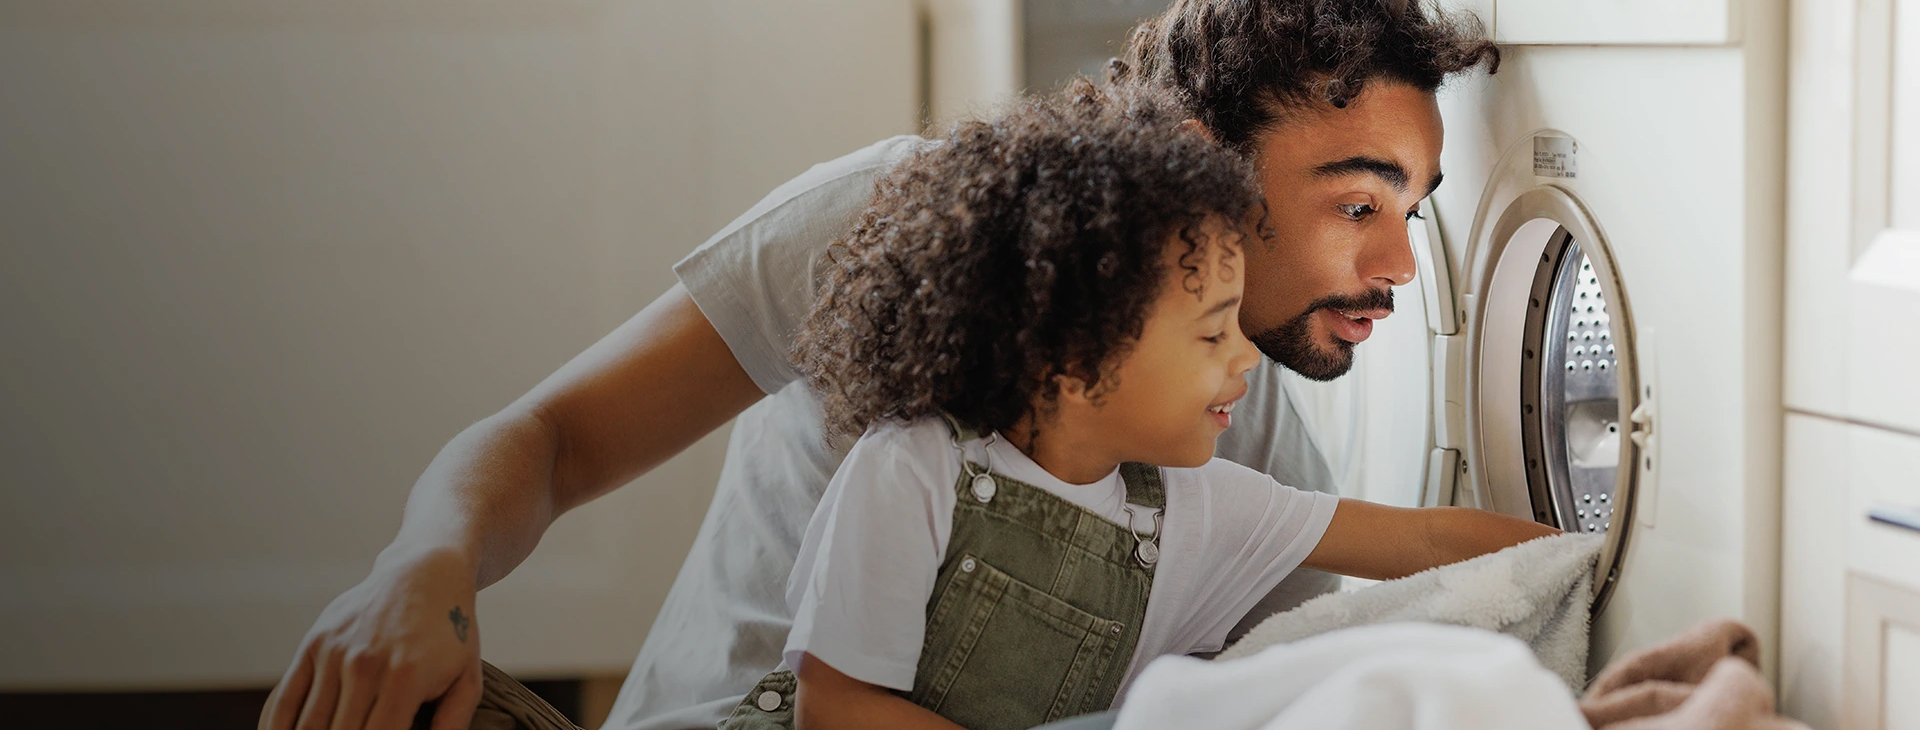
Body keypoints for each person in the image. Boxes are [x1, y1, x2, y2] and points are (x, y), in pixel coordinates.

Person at [257, 2, 1502, 730]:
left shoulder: (1240, 418)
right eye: (1356, 205)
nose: (1400, 263)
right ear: (1202, 159)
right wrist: (421, 565)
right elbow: (559, 439)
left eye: (1421, 209)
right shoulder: (903, 222)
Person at [724, 82, 1555, 730]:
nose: (1244, 358)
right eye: (1210, 334)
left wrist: (1596, 557)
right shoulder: (915, 468)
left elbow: (1426, 537)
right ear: (1078, 356)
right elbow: (835, 709)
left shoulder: (1197, 506)